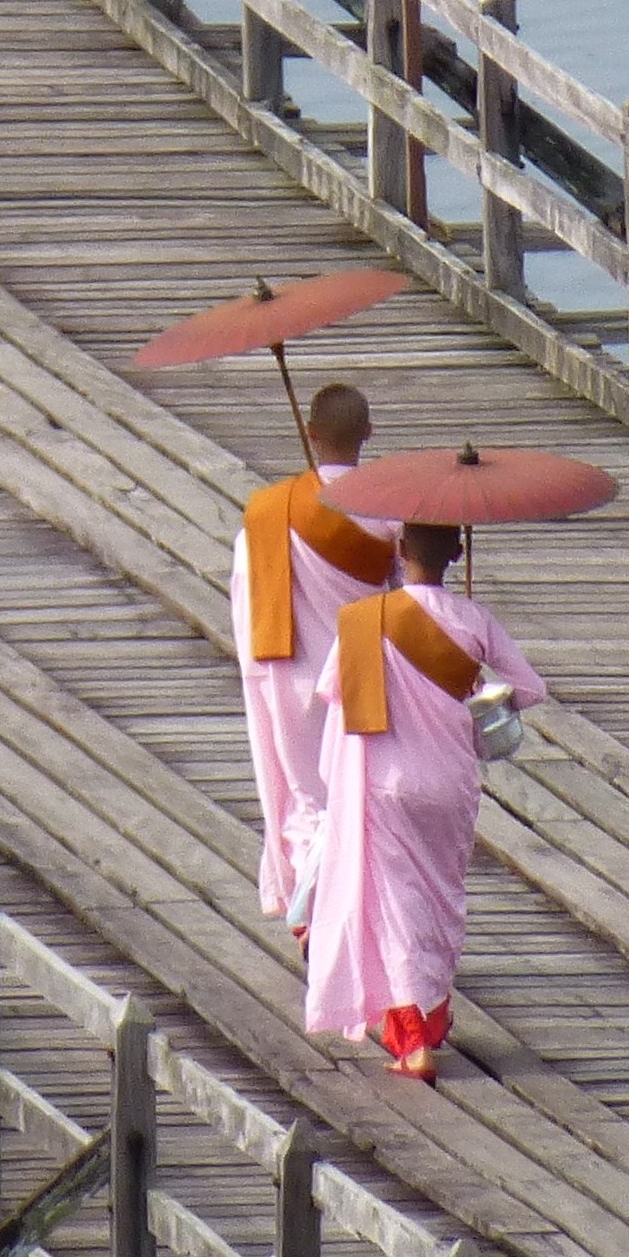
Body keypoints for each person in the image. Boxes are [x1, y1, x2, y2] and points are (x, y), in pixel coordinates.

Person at [305, 522, 546, 1082]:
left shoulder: (364, 619)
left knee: (397, 906)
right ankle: (432, 1018)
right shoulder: (475, 619)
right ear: (457, 553)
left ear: (400, 550)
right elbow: (530, 688)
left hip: (387, 782)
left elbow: (331, 691)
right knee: (441, 899)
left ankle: (413, 1042)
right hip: (450, 784)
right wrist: (473, 687)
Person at [230, 383, 397, 931]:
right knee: (360, 798)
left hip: (292, 671)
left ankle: (309, 915)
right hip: (362, 674)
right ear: (368, 433)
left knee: (307, 798)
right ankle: (355, 912)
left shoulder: (270, 510)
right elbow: (405, 597)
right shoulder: (387, 513)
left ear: (311, 433)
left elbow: (246, 593)